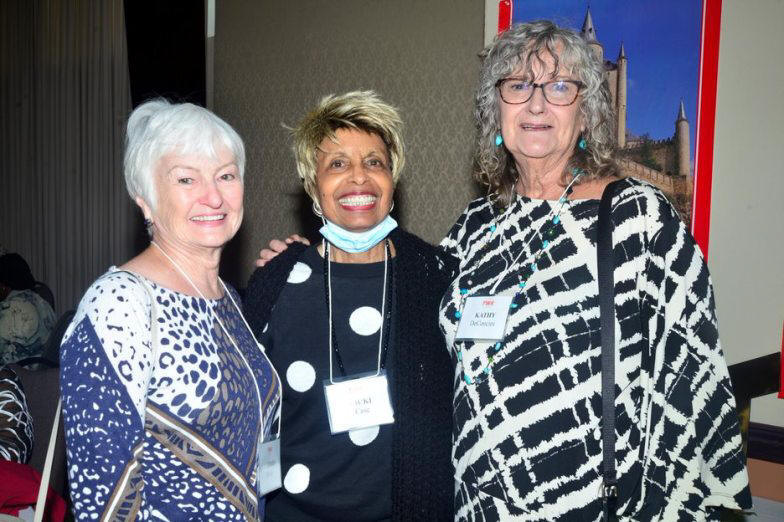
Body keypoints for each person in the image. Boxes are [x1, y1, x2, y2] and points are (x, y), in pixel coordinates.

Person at [259, 22, 751, 521]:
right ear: (496, 110)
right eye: (517, 85)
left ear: (587, 113)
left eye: (559, 86)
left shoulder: (636, 218)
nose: (536, 104)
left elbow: (691, 381)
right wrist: (303, 261)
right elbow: (404, 291)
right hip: (475, 503)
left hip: (592, 505)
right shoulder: (475, 227)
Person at [59, 99, 281, 520]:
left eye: (226, 175)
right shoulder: (120, 302)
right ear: (145, 200)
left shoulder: (228, 297)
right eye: (186, 179)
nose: (213, 196)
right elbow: (105, 499)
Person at [244, 91, 454, 521]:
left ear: (392, 181)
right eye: (337, 164)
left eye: (374, 162)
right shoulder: (276, 282)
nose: (359, 177)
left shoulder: (437, 279)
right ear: (313, 187)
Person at [0, 253, 56, 365]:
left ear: (3, 286)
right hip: (44, 369)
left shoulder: (10, 309)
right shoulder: (41, 301)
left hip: (19, 372)